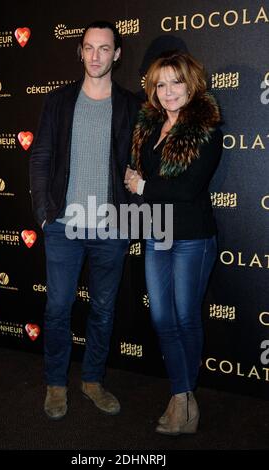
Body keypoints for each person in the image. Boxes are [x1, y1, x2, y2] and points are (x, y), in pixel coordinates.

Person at [29, 20, 140, 420]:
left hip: (111, 227)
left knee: (104, 309)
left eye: (104, 48)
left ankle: (93, 380)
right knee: (57, 308)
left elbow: (143, 162)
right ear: (80, 51)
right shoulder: (58, 101)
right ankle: (55, 384)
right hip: (62, 226)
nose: (95, 56)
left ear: (117, 54)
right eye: (89, 48)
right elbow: (40, 157)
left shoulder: (133, 105)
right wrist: (44, 214)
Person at [125, 50, 223, 435]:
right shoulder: (147, 127)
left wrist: (142, 185)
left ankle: (183, 399)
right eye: (160, 84)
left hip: (192, 237)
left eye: (175, 82)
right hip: (156, 232)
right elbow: (138, 176)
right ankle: (183, 394)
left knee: (185, 316)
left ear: (190, 83)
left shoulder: (207, 129)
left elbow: (186, 189)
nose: (168, 91)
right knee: (162, 317)